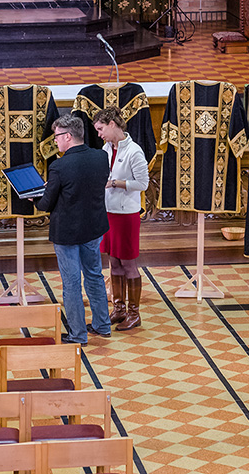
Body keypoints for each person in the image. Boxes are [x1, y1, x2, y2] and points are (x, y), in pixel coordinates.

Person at [37, 115, 110, 344]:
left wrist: (36, 198)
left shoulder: (59, 166)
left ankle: (78, 334)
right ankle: (102, 325)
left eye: (57, 136)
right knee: (94, 276)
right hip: (93, 227)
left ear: (68, 136)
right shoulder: (101, 157)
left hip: (67, 233)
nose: (56, 142)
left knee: (71, 284)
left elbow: (46, 204)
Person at [94, 107, 149, 331]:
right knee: (113, 261)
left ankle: (134, 313)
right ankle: (119, 309)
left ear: (112, 124)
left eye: (101, 129)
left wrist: (116, 183)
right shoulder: (106, 148)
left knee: (128, 263)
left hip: (126, 215)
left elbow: (143, 184)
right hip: (108, 211)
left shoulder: (134, 151)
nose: (99, 134)